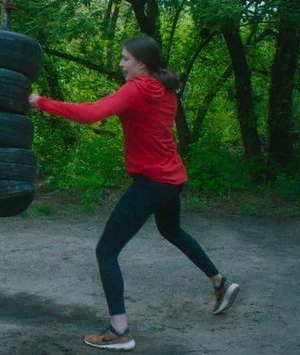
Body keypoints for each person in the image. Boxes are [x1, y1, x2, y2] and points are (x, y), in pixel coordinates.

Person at [28, 35, 240, 351]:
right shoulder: (165, 90)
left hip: (153, 182)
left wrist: (39, 101)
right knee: (171, 230)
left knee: (106, 251)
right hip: (172, 177)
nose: (121, 64)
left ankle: (119, 331)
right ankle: (220, 284)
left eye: (125, 58)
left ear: (142, 62)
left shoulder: (138, 89)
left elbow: (90, 114)